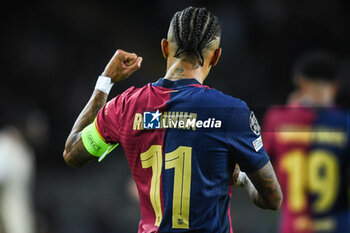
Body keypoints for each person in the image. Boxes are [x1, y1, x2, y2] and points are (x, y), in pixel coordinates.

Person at [63, 6, 282, 233]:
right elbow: (272, 199)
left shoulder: (126, 106)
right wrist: (244, 179)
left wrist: (105, 81)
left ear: (165, 47)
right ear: (216, 56)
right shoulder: (231, 113)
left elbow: (72, 153)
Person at [262, 50, 350, 233]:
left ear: (301, 84)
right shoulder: (344, 122)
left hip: (292, 226)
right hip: (338, 224)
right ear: (335, 86)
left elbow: (258, 165)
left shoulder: (277, 118)